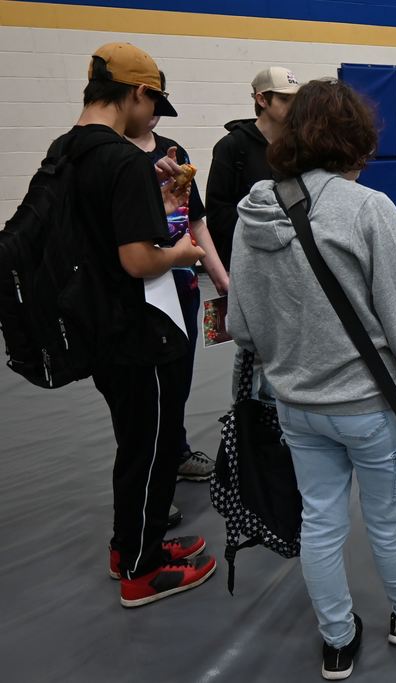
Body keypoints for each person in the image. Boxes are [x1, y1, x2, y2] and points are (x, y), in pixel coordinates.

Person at [227, 79, 396, 681]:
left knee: (320, 520)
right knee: (387, 519)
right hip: (368, 407)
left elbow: (240, 324)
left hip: (295, 405)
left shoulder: (252, 211)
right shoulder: (367, 209)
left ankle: (337, 641)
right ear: (355, 137)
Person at [53, 42, 215, 607]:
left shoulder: (67, 150)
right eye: (154, 106)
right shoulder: (121, 160)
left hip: (94, 322)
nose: (154, 121)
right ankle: (142, 572)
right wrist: (185, 254)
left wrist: (160, 190)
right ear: (139, 93)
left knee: (135, 442)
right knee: (149, 447)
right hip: (137, 329)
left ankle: (130, 545)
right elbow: (141, 258)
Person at [128, 72, 229, 483]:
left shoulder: (174, 152)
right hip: (136, 287)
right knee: (141, 389)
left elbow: (196, 222)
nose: (154, 118)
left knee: (177, 378)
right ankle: (149, 473)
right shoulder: (112, 156)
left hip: (182, 282)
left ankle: (175, 450)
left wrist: (222, 279)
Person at [206, 66, 300, 270]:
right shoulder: (231, 146)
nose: (293, 107)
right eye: (284, 99)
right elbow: (218, 213)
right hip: (248, 259)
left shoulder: (298, 146)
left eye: (296, 100)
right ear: (262, 100)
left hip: (292, 258)